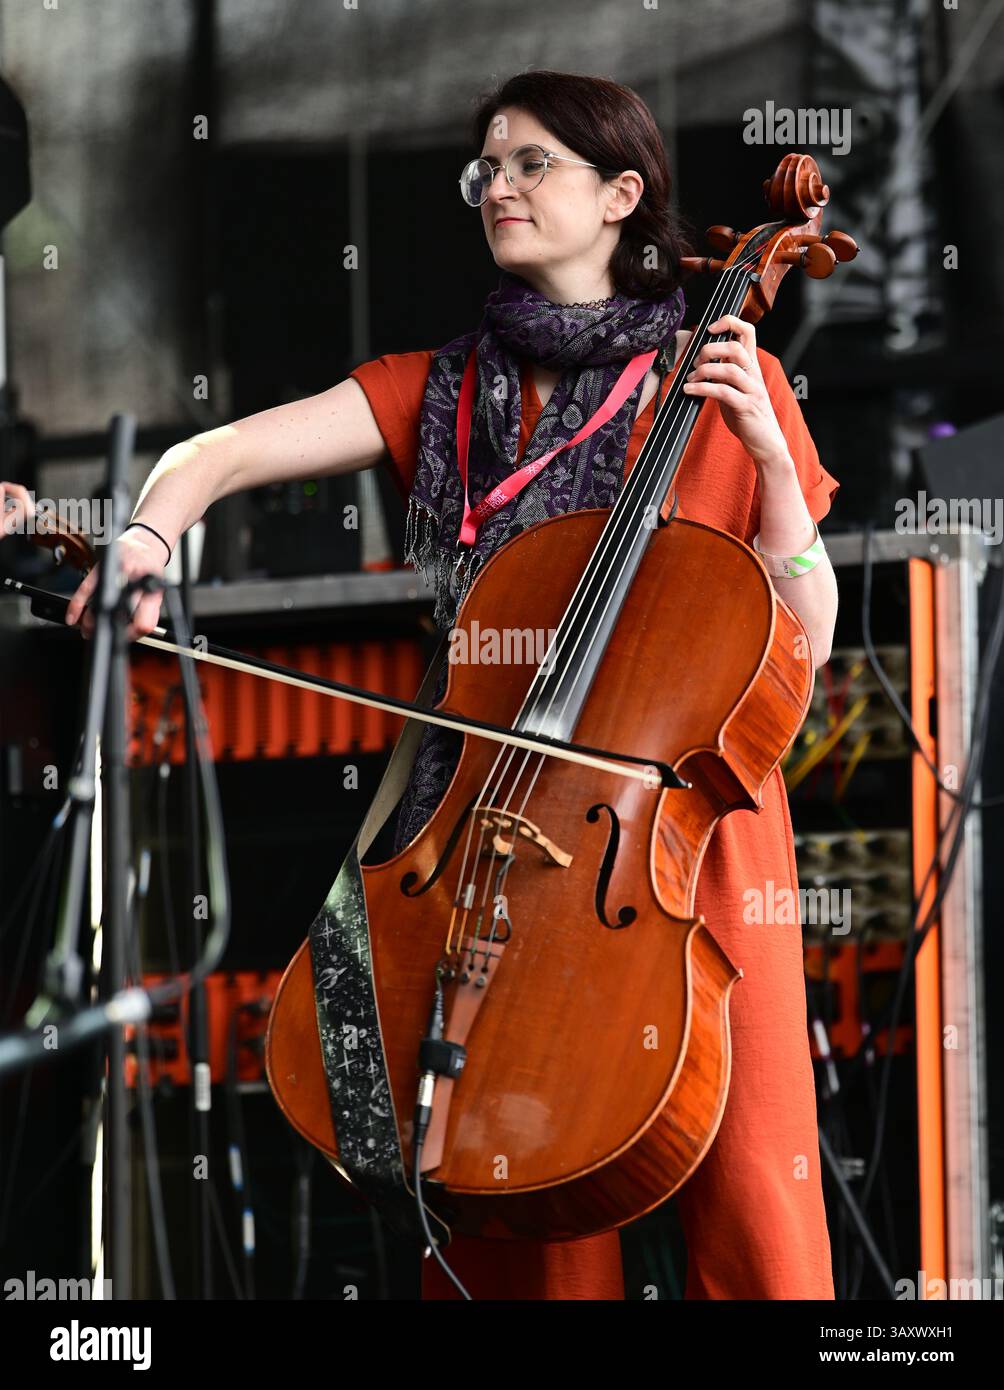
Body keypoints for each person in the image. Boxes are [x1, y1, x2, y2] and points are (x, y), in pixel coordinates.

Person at [2, 69, 839, 1300]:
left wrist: (766, 458)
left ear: (621, 194)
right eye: (485, 168)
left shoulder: (722, 375)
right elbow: (208, 452)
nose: (497, 186)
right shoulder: (438, 387)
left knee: (754, 1204)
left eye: (530, 163)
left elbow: (801, 634)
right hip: (490, 835)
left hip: (681, 839)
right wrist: (144, 540)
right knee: (518, 1208)